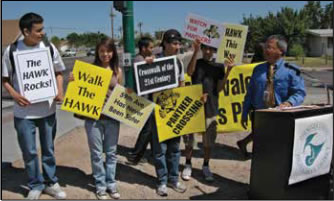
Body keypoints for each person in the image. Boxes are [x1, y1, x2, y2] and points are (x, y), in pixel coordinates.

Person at [2, 12, 66, 199]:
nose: (42, 33)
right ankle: (35, 184)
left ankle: (50, 182)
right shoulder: (12, 51)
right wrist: (15, 95)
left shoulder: (49, 47)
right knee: (29, 151)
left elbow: (59, 72)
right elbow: (5, 79)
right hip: (23, 114)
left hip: (47, 111)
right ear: (26, 31)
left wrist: (59, 90)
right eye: (38, 30)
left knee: (48, 149)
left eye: (42, 29)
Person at [69, 38, 122, 200]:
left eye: (108, 51)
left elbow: (121, 94)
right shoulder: (89, 70)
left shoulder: (118, 71)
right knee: (97, 154)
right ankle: (100, 184)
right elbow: (78, 89)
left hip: (112, 118)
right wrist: (73, 80)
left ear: (113, 52)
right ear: (97, 53)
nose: (105, 54)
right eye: (102, 51)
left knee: (112, 153)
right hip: (93, 118)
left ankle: (111, 183)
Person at [237, 35, 306, 157]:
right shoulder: (257, 69)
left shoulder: (291, 70)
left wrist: (289, 103)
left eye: (269, 47)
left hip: (281, 116)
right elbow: (250, 92)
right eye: (265, 47)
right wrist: (244, 112)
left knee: (277, 153)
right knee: (261, 152)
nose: (265, 50)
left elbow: (300, 92)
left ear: (280, 51)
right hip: (259, 115)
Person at [181, 39, 235, 182]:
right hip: (193, 107)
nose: (208, 51)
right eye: (205, 48)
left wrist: (228, 71)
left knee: (208, 140)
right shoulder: (196, 63)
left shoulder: (218, 67)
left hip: (211, 106)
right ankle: (187, 164)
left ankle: (206, 165)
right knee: (189, 139)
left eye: (211, 49)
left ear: (215, 51)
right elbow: (189, 72)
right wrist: (195, 51)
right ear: (202, 49)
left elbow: (219, 89)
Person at [151, 29, 187, 196]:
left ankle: (173, 179)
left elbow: (181, 87)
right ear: (165, 44)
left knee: (174, 149)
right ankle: (162, 181)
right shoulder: (154, 61)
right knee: (159, 150)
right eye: (174, 43)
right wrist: (147, 64)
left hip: (174, 112)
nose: (177, 46)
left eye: (179, 43)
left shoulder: (178, 63)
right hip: (158, 112)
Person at [127, 37, 155, 165]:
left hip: (148, 99)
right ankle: (135, 154)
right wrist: (147, 62)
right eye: (150, 47)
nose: (152, 50)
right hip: (143, 100)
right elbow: (139, 67)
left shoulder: (143, 59)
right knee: (147, 129)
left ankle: (141, 153)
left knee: (150, 128)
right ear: (143, 48)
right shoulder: (138, 59)